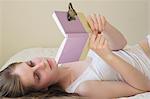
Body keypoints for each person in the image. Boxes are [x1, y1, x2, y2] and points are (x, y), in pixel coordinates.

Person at [0, 13, 150, 99]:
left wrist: (105, 28)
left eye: (31, 63)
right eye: (37, 76)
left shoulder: (67, 56)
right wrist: (108, 57)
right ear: (43, 90)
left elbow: (120, 46)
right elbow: (143, 87)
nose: (42, 65)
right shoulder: (83, 88)